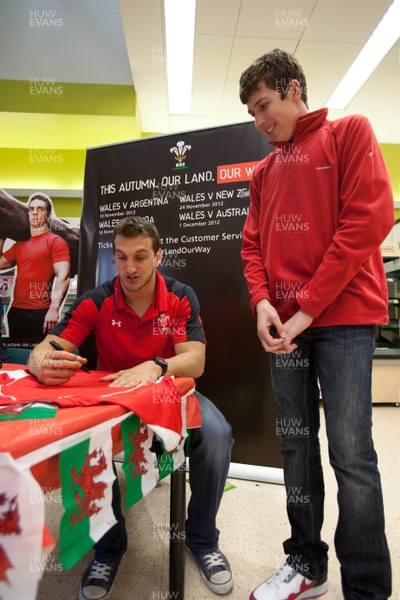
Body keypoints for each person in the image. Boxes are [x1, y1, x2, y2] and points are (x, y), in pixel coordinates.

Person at [239, 49, 393, 600]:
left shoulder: (349, 133)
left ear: (294, 87)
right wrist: (262, 302)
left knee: (351, 454)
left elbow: (369, 219)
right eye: (252, 114)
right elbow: (251, 244)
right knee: (297, 449)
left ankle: (368, 587)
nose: (259, 122)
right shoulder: (263, 173)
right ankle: (305, 563)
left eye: (264, 106)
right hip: (285, 327)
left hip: (344, 319)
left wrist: (305, 307)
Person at [28, 216, 234, 599]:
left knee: (218, 435)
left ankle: (202, 539)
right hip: (115, 399)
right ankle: (109, 545)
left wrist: (155, 366)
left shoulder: (180, 296)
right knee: (84, 437)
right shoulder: (97, 299)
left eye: (140, 256)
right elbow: (49, 347)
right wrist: (40, 363)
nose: (130, 267)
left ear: (159, 256)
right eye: (121, 257)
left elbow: (196, 361)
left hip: (170, 394)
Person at [0, 192, 70, 339]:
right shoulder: (20, 245)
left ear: (49, 215)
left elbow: (63, 276)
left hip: (41, 313)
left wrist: (54, 308)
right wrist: (2, 234)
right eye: (31, 209)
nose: (35, 213)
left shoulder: (55, 242)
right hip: (16, 311)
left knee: (39, 358)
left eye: (40, 209)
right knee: (18, 358)